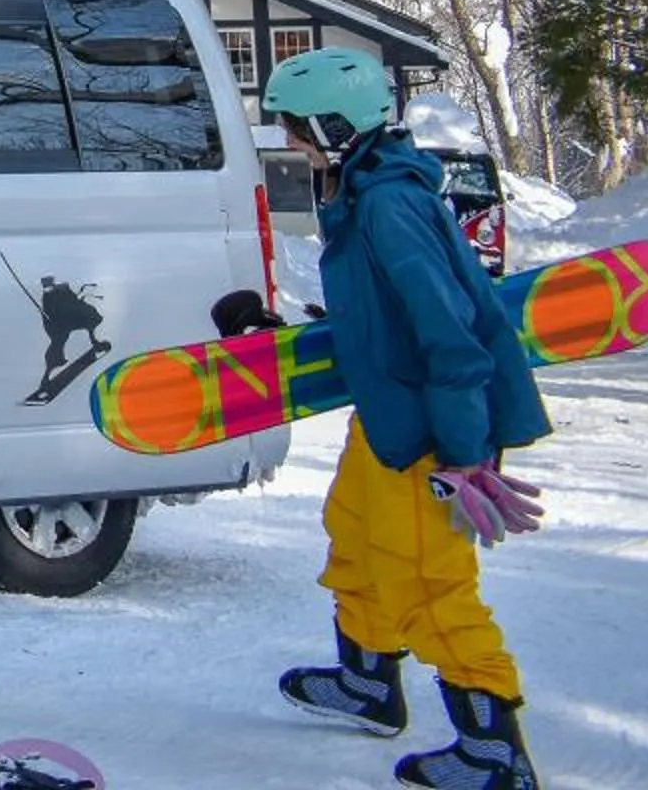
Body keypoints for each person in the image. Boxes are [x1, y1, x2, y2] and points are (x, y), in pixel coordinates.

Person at [263, 47, 550, 790]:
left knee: (427, 580)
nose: (291, 142)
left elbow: (449, 334)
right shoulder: (363, 191)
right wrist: (274, 332)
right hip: (391, 417)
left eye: (296, 127)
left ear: (335, 124)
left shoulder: (388, 205)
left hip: (432, 429)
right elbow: (380, 312)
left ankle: (492, 748)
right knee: (354, 536)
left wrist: (462, 453)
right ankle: (367, 680)